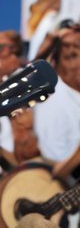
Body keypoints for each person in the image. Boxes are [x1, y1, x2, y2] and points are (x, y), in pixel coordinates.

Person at [33, 23, 80, 163]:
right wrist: (50, 40)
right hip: (50, 173)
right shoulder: (47, 89)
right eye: (66, 45)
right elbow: (28, 75)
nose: (71, 50)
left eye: (77, 45)